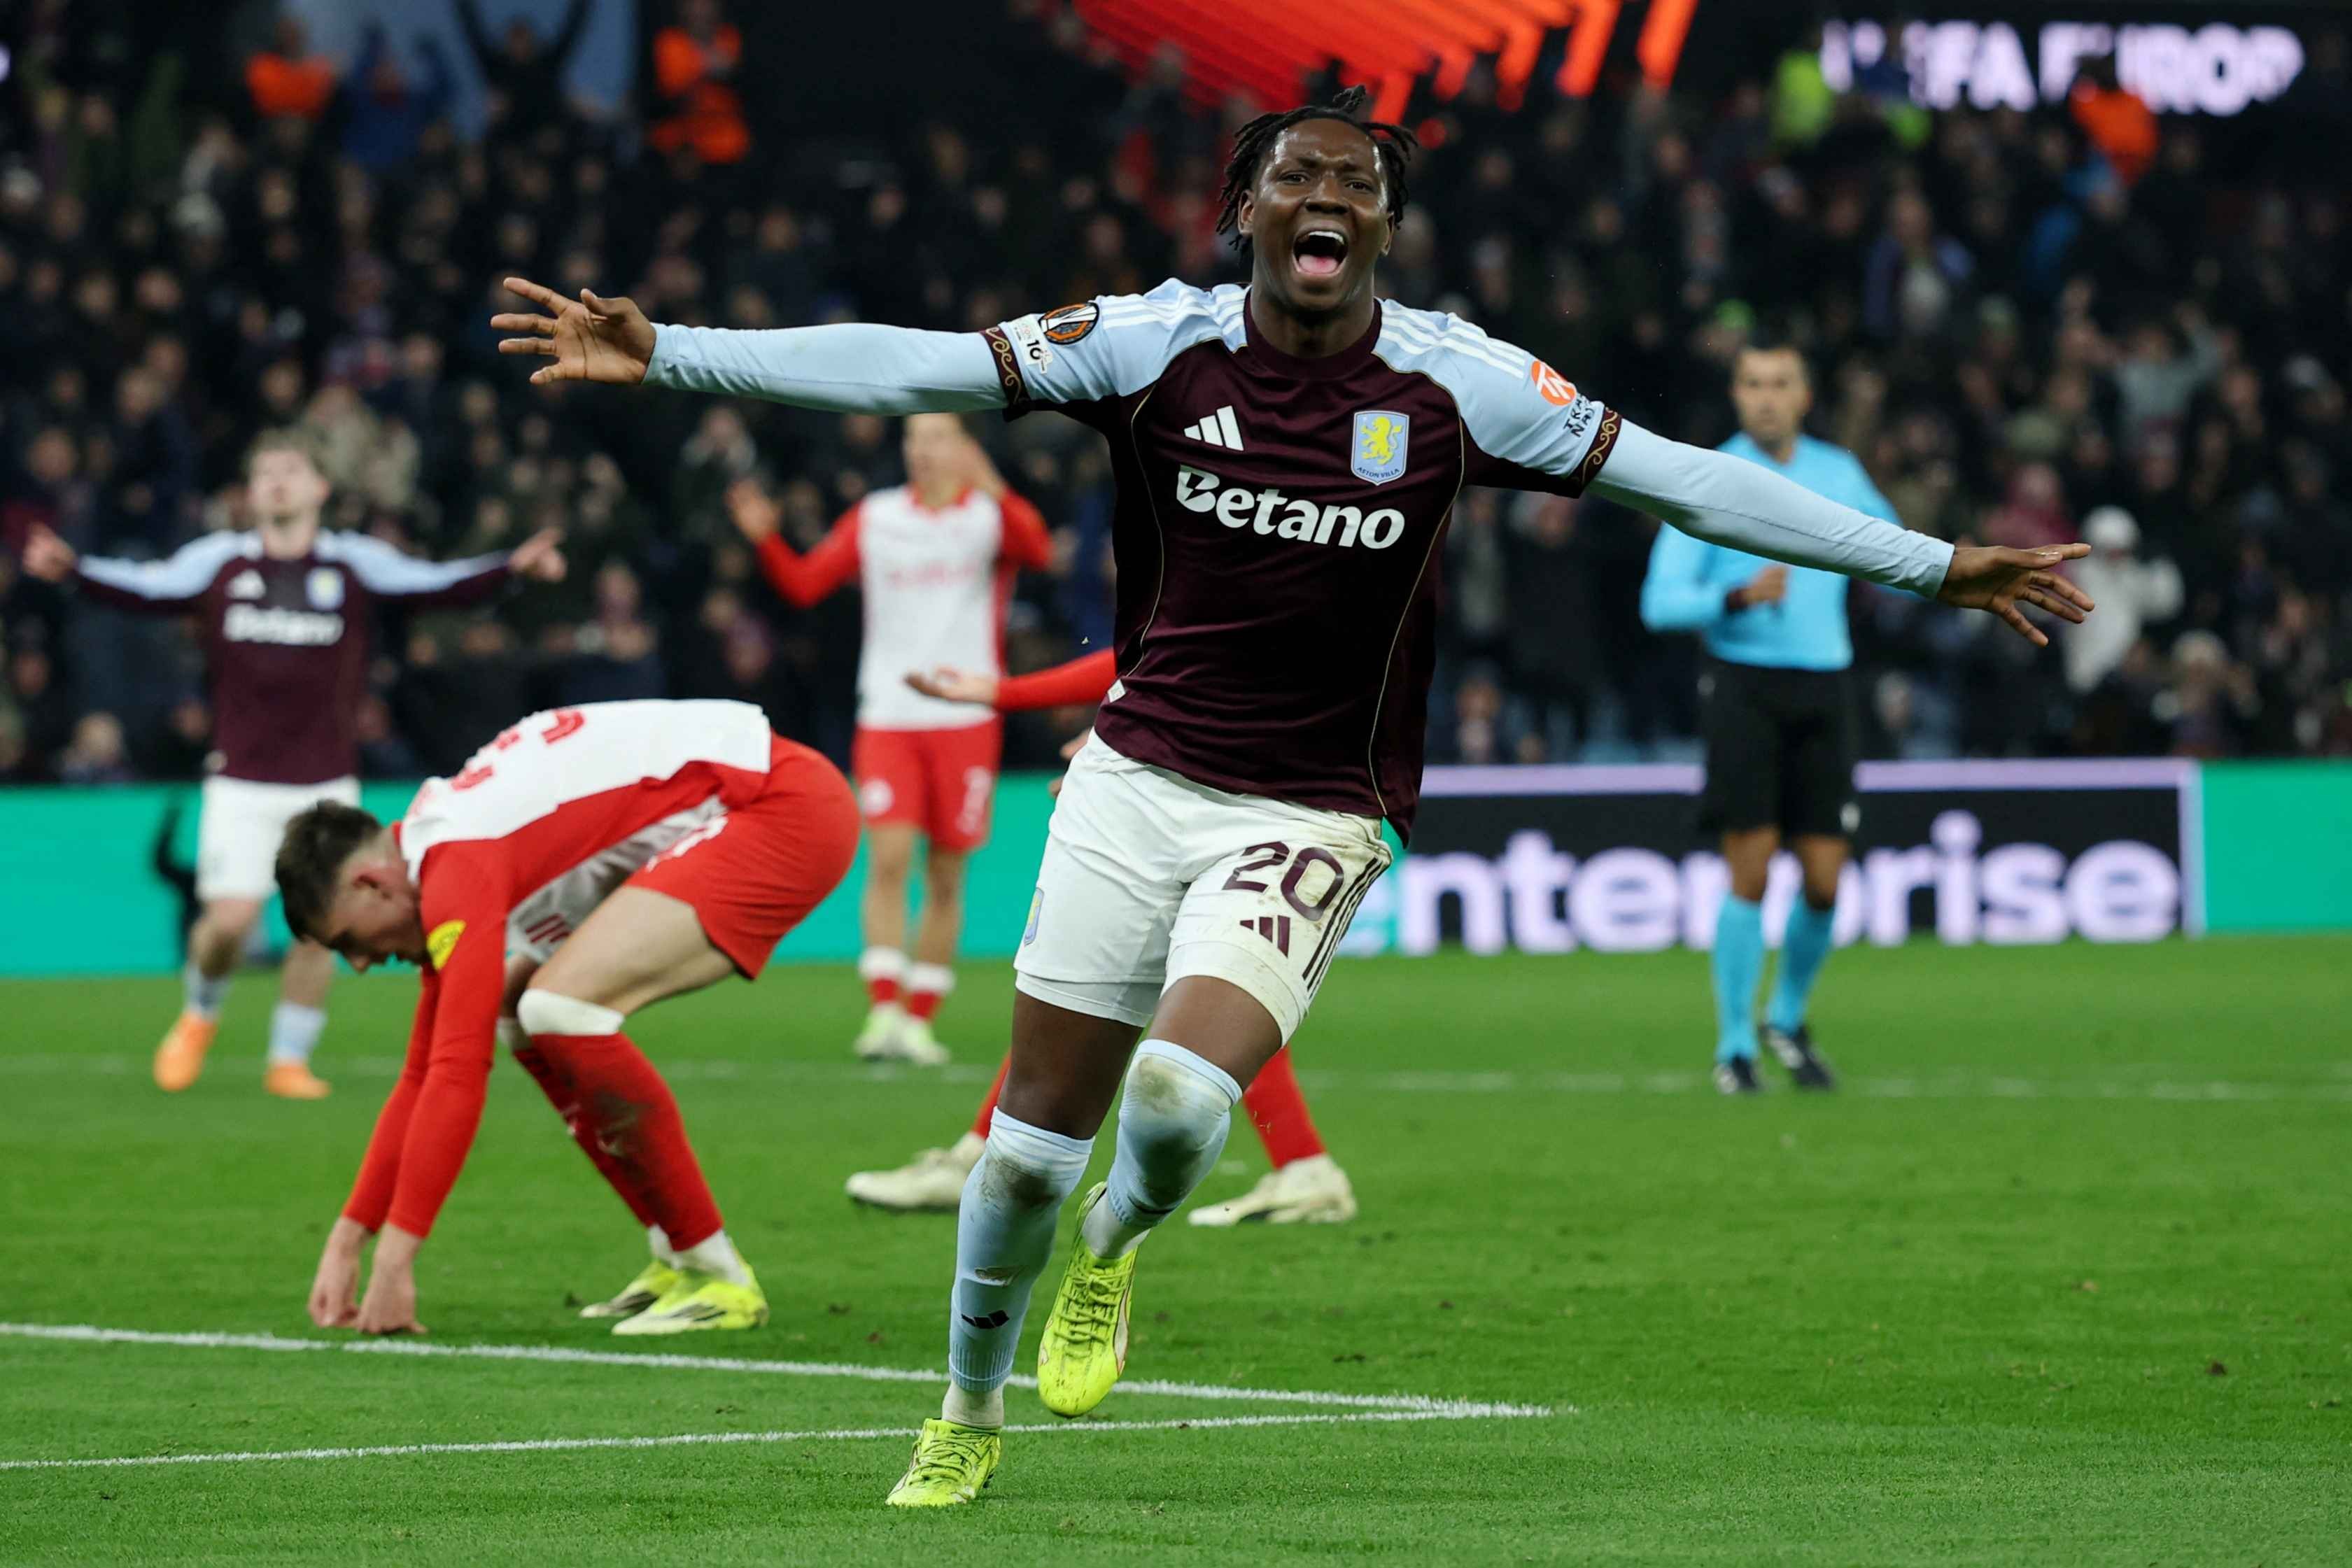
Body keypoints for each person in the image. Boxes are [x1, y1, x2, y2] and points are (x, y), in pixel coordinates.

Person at [491, 86, 2091, 1507]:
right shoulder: (1152, 341)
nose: (1326, 198)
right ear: (1246, 213)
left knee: (1179, 1109)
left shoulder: (1460, 383)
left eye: (1359, 185)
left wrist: (1927, 563)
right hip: (1132, 785)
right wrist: (675, 349)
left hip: (1315, 806)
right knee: (1024, 1156)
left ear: (1383, 227)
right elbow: (916, 365)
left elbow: (1688, 472)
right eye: (1294, 177)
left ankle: (1111, 1259)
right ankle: (965, 1410)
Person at [276, 700, 859, 1336]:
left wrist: (395, 1259)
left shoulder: (455, 862)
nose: (360, 963)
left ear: (371, 885)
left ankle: (716, 1272)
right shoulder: (436, 846)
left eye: (346, 942)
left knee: (562, 1007)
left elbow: (456, 1073)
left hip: (779, 807)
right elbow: (423, 1071)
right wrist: (348, 1237)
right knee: (519, 1009)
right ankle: (678, 1252)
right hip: (744, 799)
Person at [19, 430, 563, 1100]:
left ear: (319, 489)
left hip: (325, 781)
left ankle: (288, 1059)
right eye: (265, 471)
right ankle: (200, 1011)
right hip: (242, 777)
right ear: (250, 493)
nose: (277, 481)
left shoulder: (353, 564)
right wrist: (73, 570)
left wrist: (513, 568)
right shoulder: (220, 562)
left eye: (291, 470)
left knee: (323, 925)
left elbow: (436, 585)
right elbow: (146, 589)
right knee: (230, 922)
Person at [845, 650, 1360, 1227]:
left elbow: (1165, 642)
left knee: (1133, 979)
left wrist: (1126, 737)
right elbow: (1162, 645)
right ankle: (1302, 1163)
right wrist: (1133, 740)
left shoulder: (1231, 571)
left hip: (1253, 790)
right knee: (1165, 978)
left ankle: (982, 1157)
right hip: (1217, 775)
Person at [726, 417, 1050, 1067]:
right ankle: (883, 1009)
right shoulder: (875, 517)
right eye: (914, 441)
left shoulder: (988, 518)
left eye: (937, 439)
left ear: (963, 447)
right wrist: (766, 539)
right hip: (889, 715)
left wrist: (986, 479)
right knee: (890, 855)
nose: (923, 452)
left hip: (965, 716)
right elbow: (804, 584)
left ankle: (920, 1020)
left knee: (947, 871)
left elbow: (1039, 552)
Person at [1638, 340, 1901, 1094]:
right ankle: (1734, 1047)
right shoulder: (1706, 478)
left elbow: (1897, 554)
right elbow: (1658, 604)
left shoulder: (1838, 474)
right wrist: (1735, 598)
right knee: (1748, 871)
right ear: (1735, 393)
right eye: (1752, 383)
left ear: (1804, 395)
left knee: (1825, 880)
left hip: (1824, 686)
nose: (1765, 397)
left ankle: (1784, 1018)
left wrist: (1964, 575)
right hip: (1744, 687)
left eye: (1779, 383)